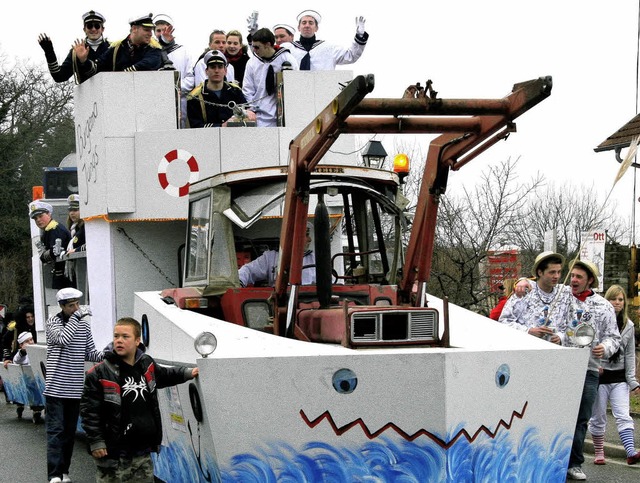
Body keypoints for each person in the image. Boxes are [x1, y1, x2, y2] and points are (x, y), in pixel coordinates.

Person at [81, 317, 199, 482]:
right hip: (114, 453)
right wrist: (96, 442)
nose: (119, 341)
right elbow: (89, 412)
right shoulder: (98, 373)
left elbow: (164, 376)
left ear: (137, 341)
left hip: (142, 450)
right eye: (116, 336)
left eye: (125, 336)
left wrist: (188, 373)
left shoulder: (146, 363)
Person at [565, 260, 621, 480]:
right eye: (573, 276)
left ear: (590, 281)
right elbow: (536, 288)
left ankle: (574, 463)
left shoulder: (603, 306)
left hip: (588, 369)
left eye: (579, 277)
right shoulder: (561, 298)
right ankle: (552, 459)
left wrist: (604, 348)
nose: (574, 280)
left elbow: (613, 338)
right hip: (559, 366)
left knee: (581, 418)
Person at [45, 287, 103, 483]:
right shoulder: (53, 322)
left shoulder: (83, 326)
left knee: (69, 434)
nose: (76, 308)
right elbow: (63, 339)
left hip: (75, 388)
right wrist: (76, 318)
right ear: (61, 306)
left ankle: (64, 472)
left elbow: (90, 353)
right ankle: (53, 474)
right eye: (71, 306)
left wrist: (110, 353)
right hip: (55, 387)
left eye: (78, 304)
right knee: (56, 432)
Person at [588, 284, 640, 465]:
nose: (617, 303)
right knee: (599, 416)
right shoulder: (599, 320)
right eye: (613, 299)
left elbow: (630, 354)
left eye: (620, 299)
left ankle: (631, 452)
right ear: (607, 301)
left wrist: (632, 381)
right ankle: (599, 452)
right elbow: (591, 343)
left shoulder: (629, 326)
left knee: (623, 414)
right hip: (600, 375)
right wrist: (595, 365)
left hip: (620, 378)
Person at [498, 251, 571, 344]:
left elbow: (573, 323)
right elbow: (504, 322)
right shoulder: (524, 292)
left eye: (559, 272)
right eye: (552, 272)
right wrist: (529, 331)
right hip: (528, 351)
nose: (556, 276)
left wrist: (561, 337)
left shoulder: (565, 293)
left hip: (556, 353)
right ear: (540, 272)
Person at [74, 13, 166, 78]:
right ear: (134, 29)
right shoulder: (117, 48)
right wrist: (84, 60)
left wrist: (122, 75)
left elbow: (147, 64)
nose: (150, 34)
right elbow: (97, 68)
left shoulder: (155, 48)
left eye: (151, 30)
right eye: (147, 30)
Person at [242, 28, 299, 127]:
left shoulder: (287, 58)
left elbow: (295, 86)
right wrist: (251, 110)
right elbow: (247, 89)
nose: (254, 50)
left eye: (257, 47)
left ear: (268, 44)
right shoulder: (252, 62)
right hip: (258, 115)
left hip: (282, 115)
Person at [38, 10, 110, 84]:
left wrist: (84, 61)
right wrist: (49, 52)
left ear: (102, 29)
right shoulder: (76, 52)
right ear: (84, 29)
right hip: (86, 94)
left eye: (97, 26)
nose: (93, 29)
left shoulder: (112, 49)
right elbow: (59, 76)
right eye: (89, 26)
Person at [187, 50, 256, 128]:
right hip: (207, 138)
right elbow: (195, 126)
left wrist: (247, 113)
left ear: (225, 71)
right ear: (206, 71)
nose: (216, 71)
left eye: (220, 67)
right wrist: (221, 126)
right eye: (213, 67)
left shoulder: (235, 91)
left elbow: (246, 115)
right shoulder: (196, 96)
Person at [282, 10, 368, 71]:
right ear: (298, 28)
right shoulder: (288, 48)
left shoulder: (329, 48)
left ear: (316, 28)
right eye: (304, 23)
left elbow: (351, 56)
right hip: (294, 93)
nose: (307, 25)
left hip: (323, 93)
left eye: (311, 23)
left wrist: (359, 36)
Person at [239, 223, 315, 287]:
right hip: (281, 300)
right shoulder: (271, 257)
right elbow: (248, 270)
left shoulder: (315, 259)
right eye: (306, 235)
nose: (310, 239)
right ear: (293, 236)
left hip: (309, 300)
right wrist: (239, 281)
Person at [154, 14, 192, 127]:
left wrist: (176, 88)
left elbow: (190, 77)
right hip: (158, 99)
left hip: (180, 99)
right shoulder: (151, 51)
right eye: (158, 30)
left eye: (164, 30)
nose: (161, 33)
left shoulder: (182, 51)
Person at [29, 200, 73, 289]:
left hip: (66, 274)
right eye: (35, 218)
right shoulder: (48, 230)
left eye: (41, 216)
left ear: (49, 214)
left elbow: (54, 253)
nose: (38, 220)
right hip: (60, 273)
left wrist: (43, 256)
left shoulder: (55, 229)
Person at [5, 331, 44, 423]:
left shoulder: (37, 350)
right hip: (26, 381)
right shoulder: (21, 355)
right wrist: (23, 351)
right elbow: (17, 359)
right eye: (27, 341)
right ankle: (20, 407)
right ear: (21, 345)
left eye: (31, 339)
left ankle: (37, 411)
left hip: (37, 380)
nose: (30, 342)